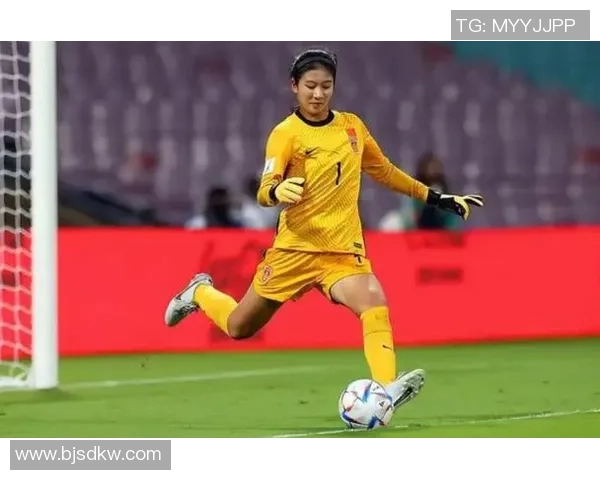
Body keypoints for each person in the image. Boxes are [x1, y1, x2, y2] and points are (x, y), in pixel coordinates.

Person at [165, 48, 484, 413]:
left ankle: (384, 391)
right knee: (239, 327)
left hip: (341, 252)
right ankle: (200, 292)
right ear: (294, 86)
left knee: (374, 304)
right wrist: (276, 191)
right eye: (310, 86)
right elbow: (264, 189)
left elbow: (384, 171)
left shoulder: (351, 127)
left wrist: (436, 198)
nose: (318, 94)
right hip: (295, 251)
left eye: (326, 86)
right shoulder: (285, 134)